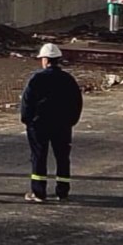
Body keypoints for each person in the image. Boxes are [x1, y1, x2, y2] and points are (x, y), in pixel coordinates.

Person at [21, 42, 82, 202]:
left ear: (46, 60)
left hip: (39, 125)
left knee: (39, 156)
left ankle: (39, 192)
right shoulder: (68, 79)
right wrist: (71, 121)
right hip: (62, 125)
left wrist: (27, 121)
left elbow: (27, 102)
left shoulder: (36, 79)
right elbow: (76, 102)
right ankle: (62, 191)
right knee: (62, 157)